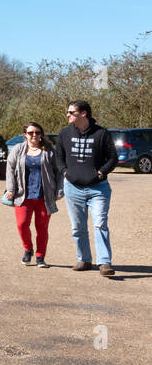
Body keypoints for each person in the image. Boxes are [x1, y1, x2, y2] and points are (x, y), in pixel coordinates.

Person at [55, 99, 118, 276]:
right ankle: (84, 259)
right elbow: (58, 157)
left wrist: (101, 173)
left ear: (83, 114)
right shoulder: (64, 133)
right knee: (77, 227)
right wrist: (65, 172)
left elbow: (113, 158)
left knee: (100, 224)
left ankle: (104, 263)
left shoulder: (101, 133)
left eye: (71, 112)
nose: (67, 115)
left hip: (98, 189)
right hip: (73, 188)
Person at [4, 123, 63, 267]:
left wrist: (59, 191)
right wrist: (10, 189)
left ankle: (40, 257)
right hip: (23, 195)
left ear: (41, 134)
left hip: (44, 196)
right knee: (22, 224)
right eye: (30, 133)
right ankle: (27, 249)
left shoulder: (49, 151)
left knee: (41, 228)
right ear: (25, 134)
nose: (34, 135)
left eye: (37, 132)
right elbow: (10, 168)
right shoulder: (18, 150)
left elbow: (59, 171)